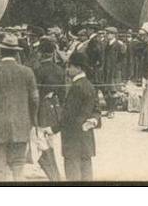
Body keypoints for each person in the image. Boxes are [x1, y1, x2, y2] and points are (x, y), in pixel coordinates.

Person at [0, 33, 39, 181]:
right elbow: (35, 99)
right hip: (21, 124)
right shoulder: (27, 72)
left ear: (1, 51)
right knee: (18, 165)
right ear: (17, 52)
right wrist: (32, 120)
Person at [61, 51, 100, 182]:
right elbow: (97, 110)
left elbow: (68, 115)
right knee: (86, 171)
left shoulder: (76, 87)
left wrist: (53, 129)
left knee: (73, 172)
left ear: (78, 68)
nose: (67, 70)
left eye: (70, 66)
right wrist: (93, 120)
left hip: (73, 137)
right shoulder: (89, 85)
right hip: (86, 137)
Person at [32, 38, 65, 181]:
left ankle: (51, 170)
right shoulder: (59, 70)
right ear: (52, 53)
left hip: (42, 107)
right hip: (55, 106)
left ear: (40, 53)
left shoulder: (38, 70)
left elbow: (35, 93)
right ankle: (54, 168)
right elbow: (62, 93)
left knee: (40, 138)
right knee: (52, 138)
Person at [101, 27, 126, 117]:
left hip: (114, 71)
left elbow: (122, 58)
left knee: (113, 91)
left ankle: (112, 110)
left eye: (109, 33)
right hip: (107, 70)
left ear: (114, 34)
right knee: (106, 90)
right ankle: (109, 109)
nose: (107, 35)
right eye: (107, 33)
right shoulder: (107, 44)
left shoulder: (119, 45)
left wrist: (117, 68)